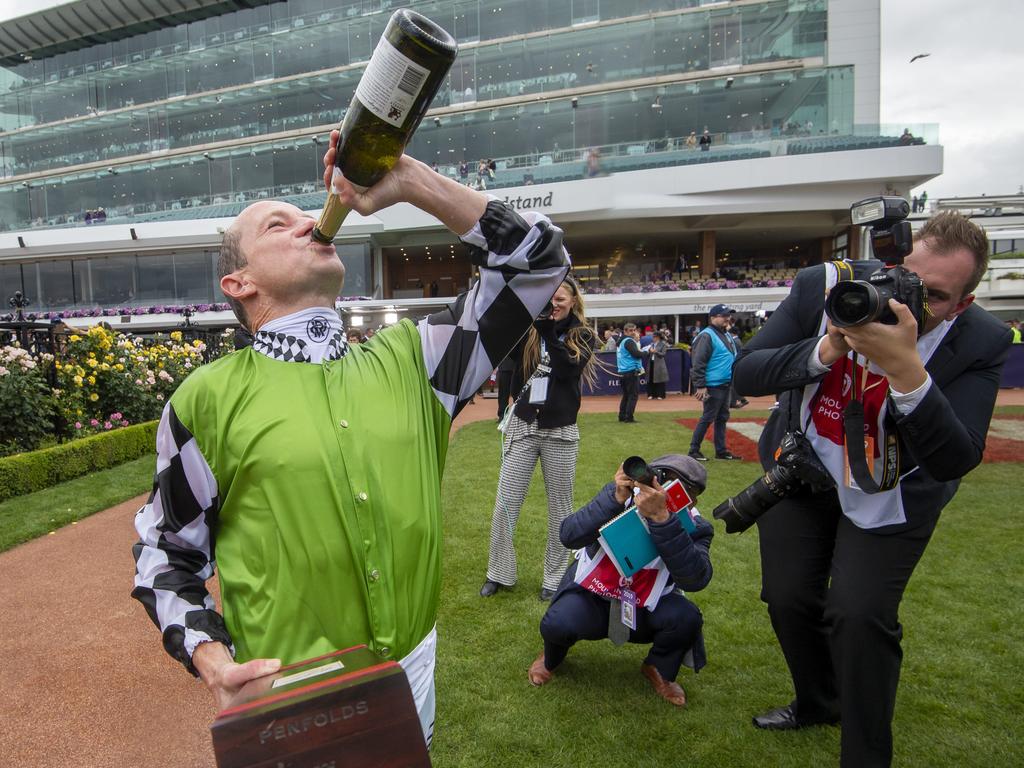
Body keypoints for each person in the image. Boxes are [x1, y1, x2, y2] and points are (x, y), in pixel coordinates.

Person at [131, 129, 570, 745]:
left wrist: (413, 182)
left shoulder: (418, 361)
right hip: (290, 692)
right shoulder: (205, 400)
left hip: (412, 674)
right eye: (276, 227)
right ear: (239, 284)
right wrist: (212, 660)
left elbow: (539, 261)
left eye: (302, 214)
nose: (308, 223)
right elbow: (165, 551)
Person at [733, 211, 1012, 767]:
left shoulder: (983, 338)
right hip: (804, 467)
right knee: (788, 598)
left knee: (858, 615)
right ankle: (818, 701)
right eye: (901, 276)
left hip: (896, 489)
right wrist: (825, 351)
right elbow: (745, 372)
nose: (905, 299)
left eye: (932, 296)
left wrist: (908, 372)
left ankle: (865, 757)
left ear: (963, 303)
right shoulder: (828, 286)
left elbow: (956, 457)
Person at [527, 456, 713, 706]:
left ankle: (659, 668)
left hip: (648, 607)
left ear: (690, 498)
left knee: (687, 618)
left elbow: (695, 579)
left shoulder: (696, 524)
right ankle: (551, 658)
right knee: (558, 623)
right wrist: (613, 499)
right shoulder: (618, 497)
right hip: (595, 595)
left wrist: (663, 520)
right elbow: (569, 535)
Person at [480, 277, 597, 601]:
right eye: (550, 298)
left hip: (560, 430)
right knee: (505, 503)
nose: (555, 304)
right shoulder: (531, 329)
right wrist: (511, 398)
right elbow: (513, 366)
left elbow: (567, 370)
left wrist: (548, 332)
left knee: (560, 508)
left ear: (573, 301)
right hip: (524, 426)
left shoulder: (584, 335)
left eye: (560, 299)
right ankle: (498, 572)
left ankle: (554, 577)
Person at [688, 304, 740, 461]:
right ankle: (694, 450)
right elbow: (698, 362)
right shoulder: (707, 336)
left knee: (722, 417)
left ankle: (721, 451)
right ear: (712, 318)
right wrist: (701, 385)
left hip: (725, 384)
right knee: (708, 417)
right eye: (723, 316)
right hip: (713, 385)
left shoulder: (725, 334)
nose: (727, 318)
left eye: (728, 315)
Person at [617, 322, 645, 423]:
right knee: (633, 395)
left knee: (626, 395)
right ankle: (629, 417)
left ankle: (622, 415)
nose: (633, 332)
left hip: (623, 371)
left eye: (634, 330)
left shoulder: (621, 341)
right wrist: (646, 352)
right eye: (630, 330)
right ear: (625, 331)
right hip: (630, 371)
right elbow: (637, 354)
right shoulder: (629, 341)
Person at [647, 330, 670, 400]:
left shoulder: (663, 344)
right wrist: (648, 351)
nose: (653, 338)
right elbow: (648, 354)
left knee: (659, 379)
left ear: (658, 337)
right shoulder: (651, 344)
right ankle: (651, 394)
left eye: (654, 337)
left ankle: (660, 395)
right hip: (651, 363)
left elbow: (663, 354)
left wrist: (655, 351)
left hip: (659, 364)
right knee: (650, 379)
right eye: (653, 337)